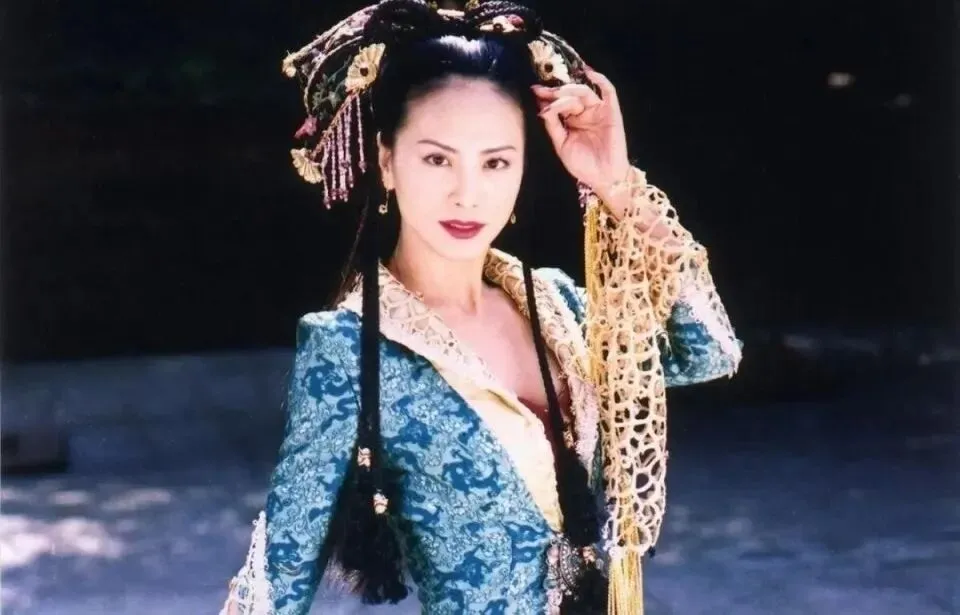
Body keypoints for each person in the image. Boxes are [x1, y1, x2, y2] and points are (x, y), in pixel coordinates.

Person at [220, 1, 742, 614]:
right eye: (437, 158)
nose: (468, 194)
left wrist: (617, 183)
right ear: (387, 161)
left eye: (496, 162)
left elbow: (709, 351)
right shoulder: (349, 350)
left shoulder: (560, 309)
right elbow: (278, 578)